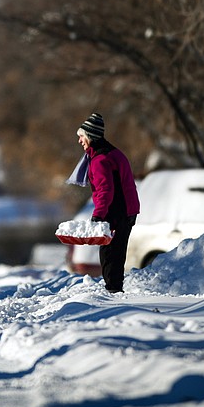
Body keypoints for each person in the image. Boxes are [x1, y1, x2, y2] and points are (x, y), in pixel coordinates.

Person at [76, 112, 140, 293]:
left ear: (90, 136)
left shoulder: (100, 160)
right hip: (127, 210)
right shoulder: (112, 153)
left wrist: (98, 215)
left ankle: (113, 292)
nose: (80, 141)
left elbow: (105, 190)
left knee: (109, 254)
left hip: (117, 211)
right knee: (116, 253)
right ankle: (114, 289)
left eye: (81, 136)